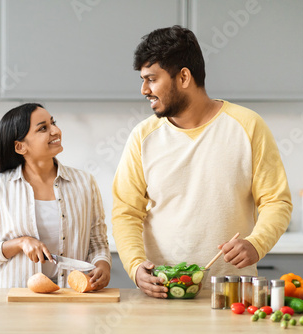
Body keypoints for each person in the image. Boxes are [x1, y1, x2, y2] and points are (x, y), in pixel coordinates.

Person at [112, 26, 292, 298]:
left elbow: (276, 201)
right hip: (163, 292)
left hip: (233, 293)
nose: (143, 89)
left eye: (151, 79)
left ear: (184, 76)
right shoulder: (143, 137)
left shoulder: (248, 126)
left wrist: (257, 243)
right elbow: (125, 210)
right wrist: (136, 267)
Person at [0, 103, 111, 289]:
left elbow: (98, 243)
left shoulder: (84, 183)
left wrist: (103, 265)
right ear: (20, 147)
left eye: (53, 123)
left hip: (71, 302)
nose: (56, 131)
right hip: (11, 303)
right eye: (43, 128)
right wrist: (20, 243)